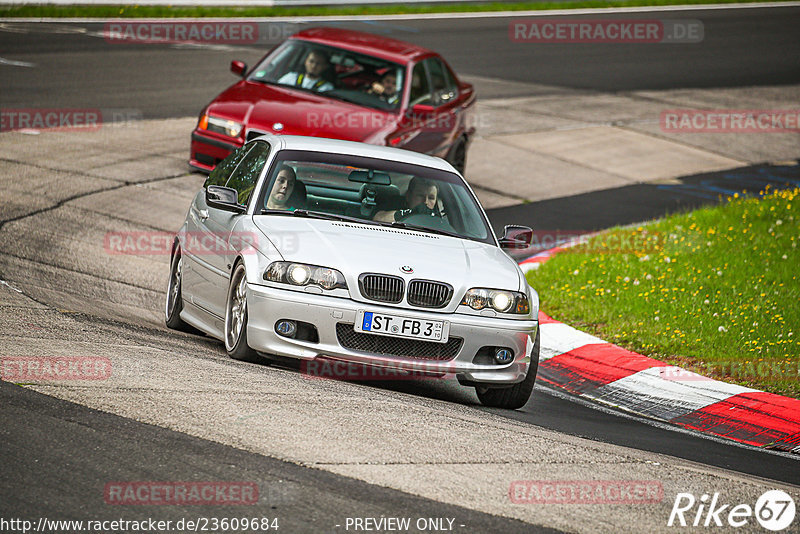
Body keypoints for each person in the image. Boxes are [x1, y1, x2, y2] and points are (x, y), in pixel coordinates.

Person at [373, 177, 439, 222]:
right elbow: (378, 218)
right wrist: (412, 213)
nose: (426, 201)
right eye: (420, 195)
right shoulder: (393, 203)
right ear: (408, 196)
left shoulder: (438, 218)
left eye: (431, 198)